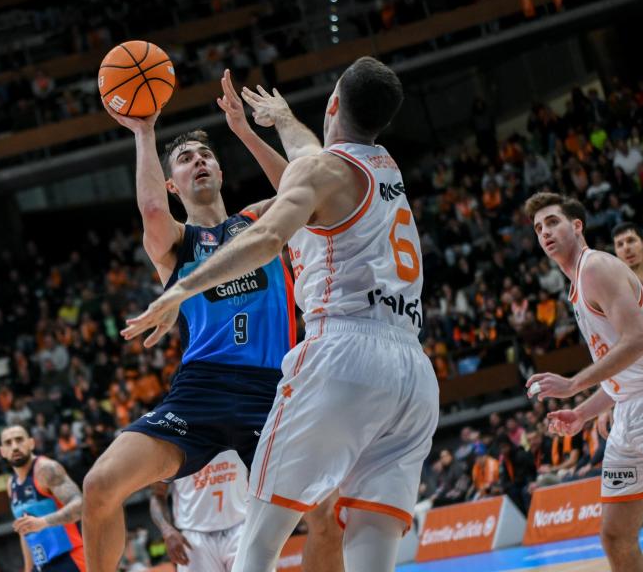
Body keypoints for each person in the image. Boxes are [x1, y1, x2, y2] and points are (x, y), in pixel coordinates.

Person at [123, 56, 437, 572]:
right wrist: (274, 122)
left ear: (333, 105)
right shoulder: (383, 167)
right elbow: (308, 159)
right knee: (372, 545)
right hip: (412, 371)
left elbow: (271, 235)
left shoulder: (311, 178)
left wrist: (179, 290)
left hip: (344, 351)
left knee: (261, 534)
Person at [83, 68, 343, 572]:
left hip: (273, 391)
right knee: (99, 485)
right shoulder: (177, 245)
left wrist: (246, 131)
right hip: (200, 392)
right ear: (174, 185)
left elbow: (306, 185)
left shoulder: (260, 222)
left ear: (220, 173)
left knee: (328, 516)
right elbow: (152, 212)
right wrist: (143, 131)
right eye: (185, 160)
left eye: (206, 155)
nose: (198, 161)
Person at [523, 192, 643, 572]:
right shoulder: (576, 286)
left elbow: (639, 340)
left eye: (553, 222)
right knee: (615, 536)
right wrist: (584, 412)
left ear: (576, 226)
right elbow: (621, 371)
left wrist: (573, 384)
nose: (545, 232)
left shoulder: (596, 268)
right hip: (628, 413)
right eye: (539, 227)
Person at [2, 425, 85, 572]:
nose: (14, 446)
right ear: (2, 452)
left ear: (31, 443)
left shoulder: (46, 469)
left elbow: (80, 505)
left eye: (19, 440)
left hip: (70, 558)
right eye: (8, 443)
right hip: (41, 565)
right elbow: (25, 531)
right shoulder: (11, 484)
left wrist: (43, 522)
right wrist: (28, 569)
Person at [149, 450, 248, 572]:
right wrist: (167, 530)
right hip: (194, 539)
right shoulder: (175, 445)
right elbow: (157, 494)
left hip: (241, 528)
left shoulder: (243, 433)